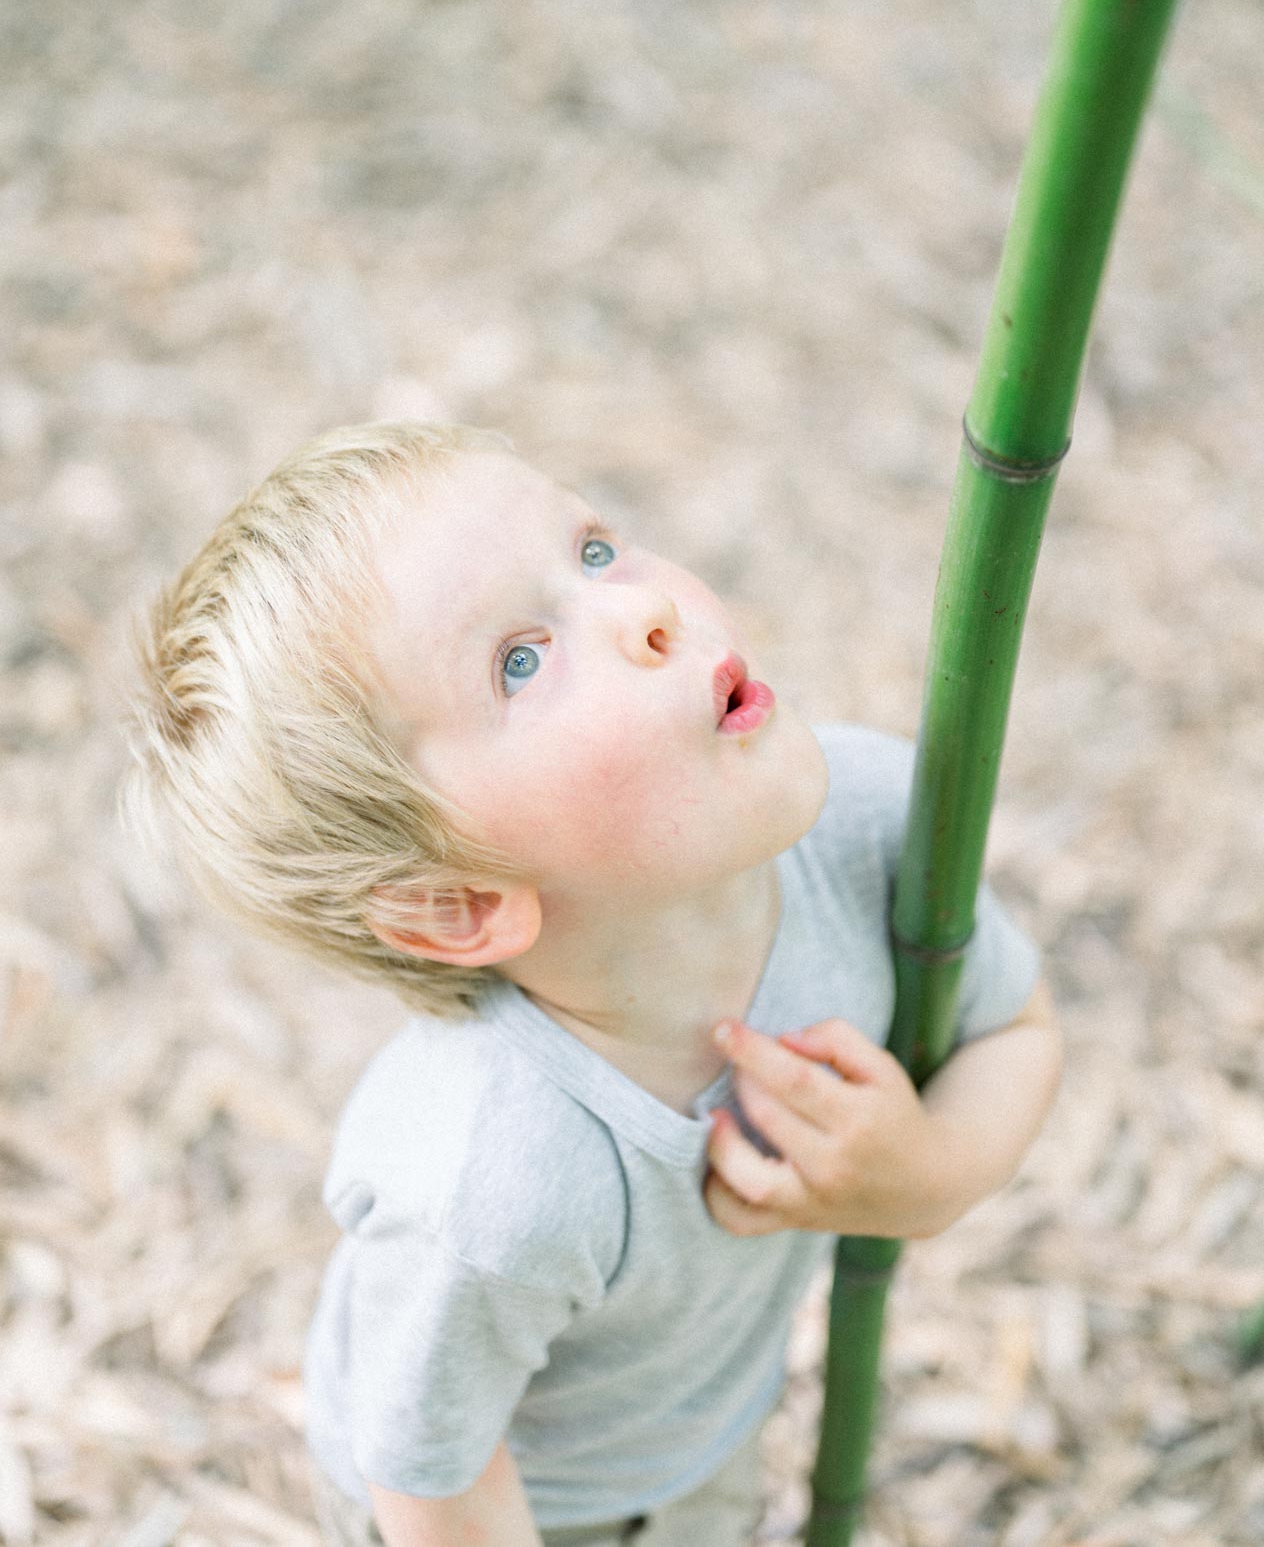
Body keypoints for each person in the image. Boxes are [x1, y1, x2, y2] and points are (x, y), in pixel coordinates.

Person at [124, 419, 1062, 1547]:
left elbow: (1016, 1023)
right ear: (456, 903)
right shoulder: (491, 1180)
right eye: (519, 659)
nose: (644, 610)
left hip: (699, 1442)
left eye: (596, 551)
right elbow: (432, 1472)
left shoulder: (874, 822)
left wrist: (922, 1177)